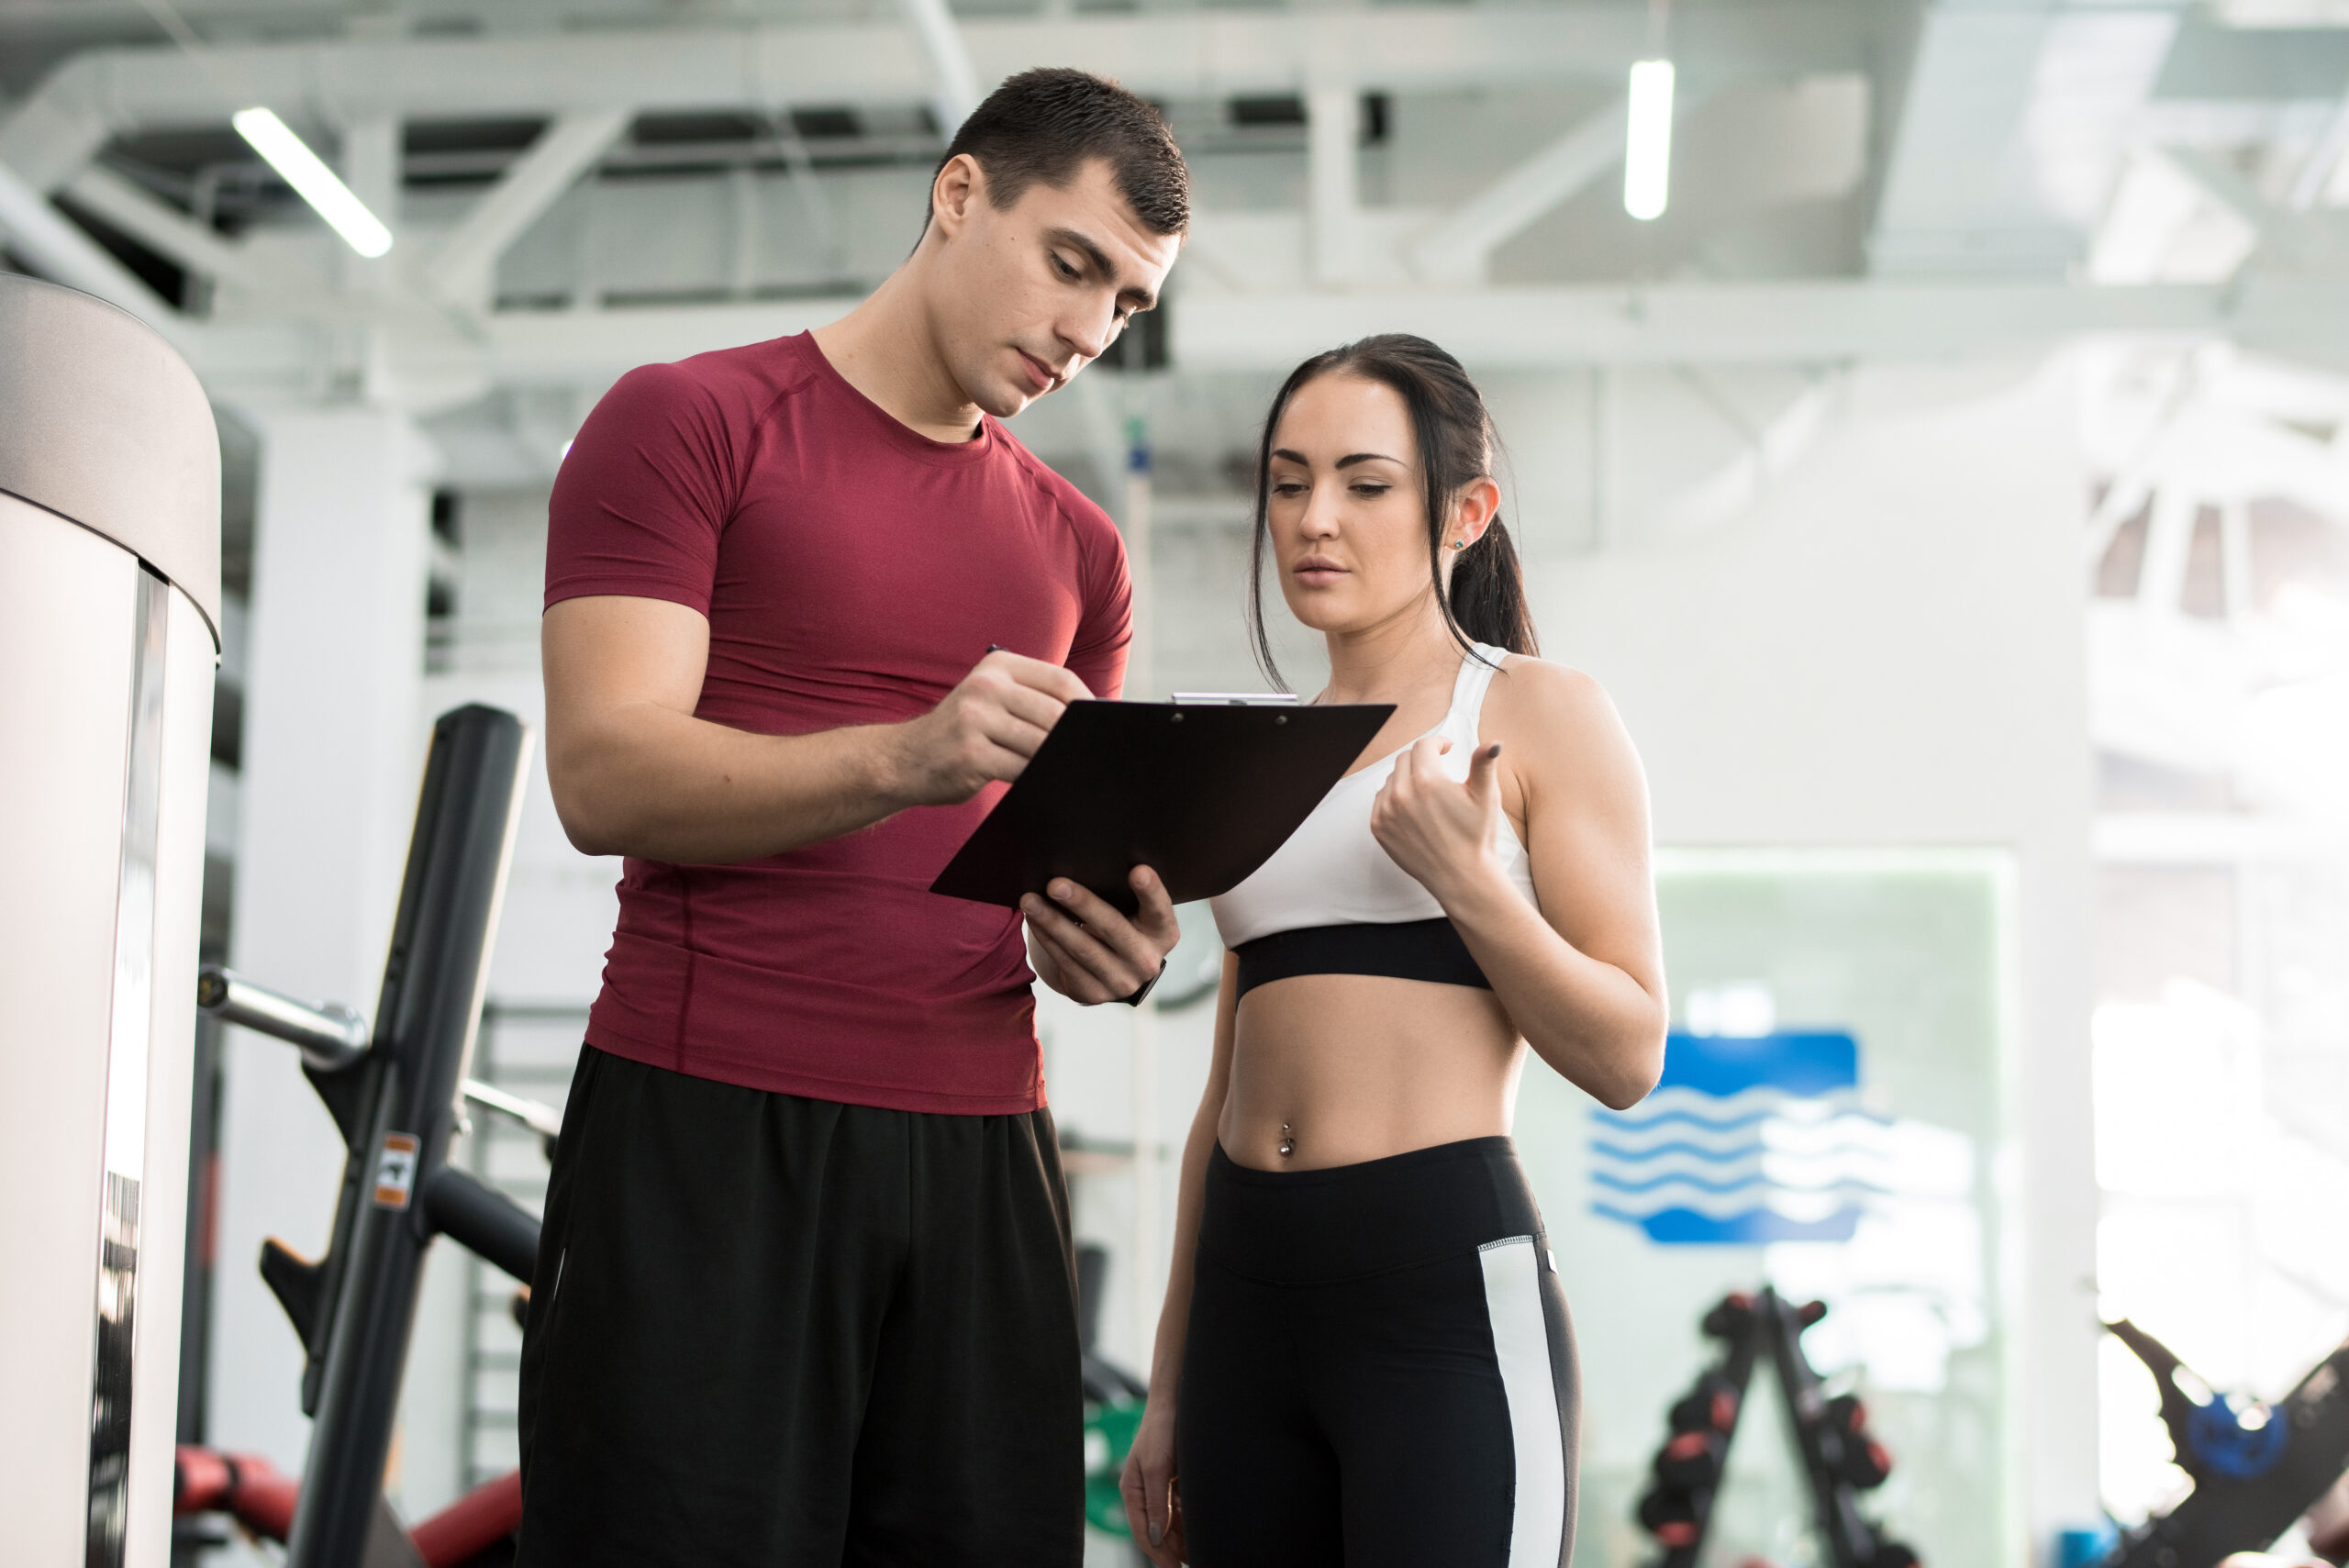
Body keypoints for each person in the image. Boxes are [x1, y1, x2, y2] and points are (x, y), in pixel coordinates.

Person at [520, 69, 1188, 1567]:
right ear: (960, 196)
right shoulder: (688, 421)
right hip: (708, 1122)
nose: (1088, 331)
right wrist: (903, 757)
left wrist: (1114, 945)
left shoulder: (1083, 549)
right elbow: (603, 775)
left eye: (1129, 307)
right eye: (1072, 264)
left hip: (986, 1152)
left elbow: (1057, 872)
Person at [1119, 335, 1669, 1568]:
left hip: (1438, 1291)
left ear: (1464, 511)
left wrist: (1471, 882)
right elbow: (1226, 1090)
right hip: (1246, 1305)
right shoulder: (1251, 760)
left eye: (1366, 484)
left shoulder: (1533, 711)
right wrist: (1170, 1380)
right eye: (1287, 479)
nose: (1316, 518)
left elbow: (1629, 1051)